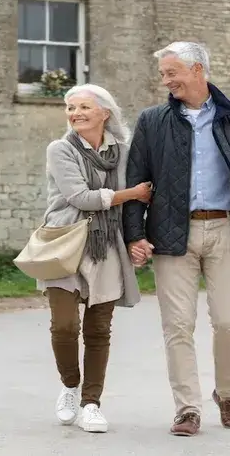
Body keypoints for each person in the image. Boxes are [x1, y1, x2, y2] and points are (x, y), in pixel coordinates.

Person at [122, 41, 230, 436]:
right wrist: (134, 234)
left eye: (172, 72)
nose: (166, 80)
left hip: (229, 229)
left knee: (228, 322)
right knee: (177, 324)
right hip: (170, 231)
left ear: (198, 70)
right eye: (163, 74)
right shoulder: (152, 120)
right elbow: (136, 181)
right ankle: (187, 408)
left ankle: (227, 395)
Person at [36, 83, 150, 433]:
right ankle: (70, 386)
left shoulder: (124, 151)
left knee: (99, 329)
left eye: (84, 107)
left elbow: (132, 209)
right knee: (65, 325)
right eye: (70, 108)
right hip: (65, 241)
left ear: (105, 113)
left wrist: (137, 239)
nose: (75, 114)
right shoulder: (61, 149)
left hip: (107, 245)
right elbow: (80, 197)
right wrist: (133, 193)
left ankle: (91, 402)